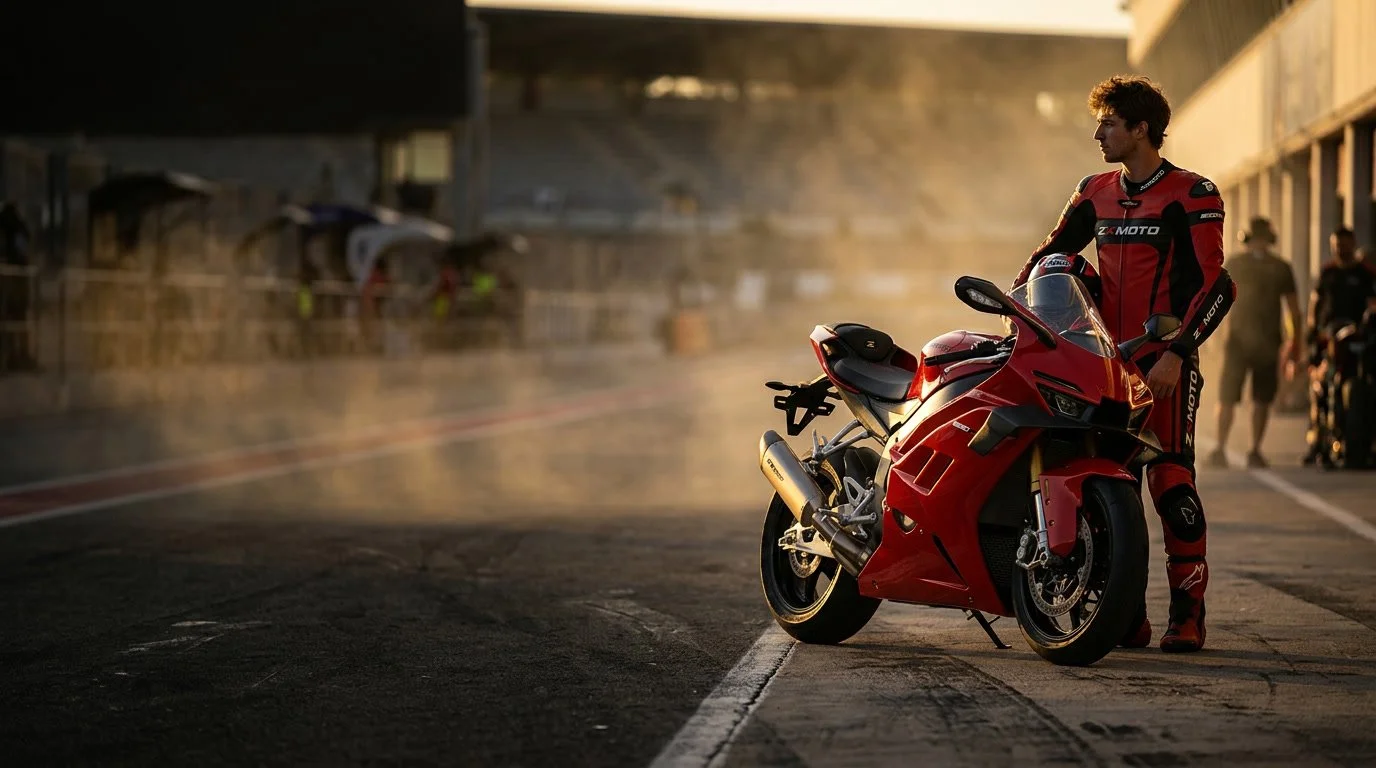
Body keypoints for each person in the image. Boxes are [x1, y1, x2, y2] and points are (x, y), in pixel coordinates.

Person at [1012, 75, 1236, 653]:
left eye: (1108, 123)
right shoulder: (1093, 190)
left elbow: (1218, 286)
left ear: (1141, 129)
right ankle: (1124, 616)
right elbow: (1045, 259)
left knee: (1170, 482)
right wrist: (1021, 315)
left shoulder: (1194, 192)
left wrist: (1177, 354)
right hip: (1099, 367)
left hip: (1163, 365)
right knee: (1109, 485)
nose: (1098, 133)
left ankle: (1188, 616)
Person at [1206, 217, 1301, 469]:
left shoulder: (1238, 263)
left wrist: (1211, 337)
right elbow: (1293, 311)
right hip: (1258, 341)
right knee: (1256, 398)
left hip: (1246, 341)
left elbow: (1216, 305)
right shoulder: (1278, 266)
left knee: (1235, 398)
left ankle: (1223, 449)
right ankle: (1251, 451)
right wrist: (1295, 343)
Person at [1301, 227, 1376, 466]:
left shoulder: (1366, 273)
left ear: (1352, 244)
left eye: (1344, 244)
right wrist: (1312, 332)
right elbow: (1315, 304)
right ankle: (1317, 441)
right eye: (1337, 245)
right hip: (1329, 339)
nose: (1341, 249)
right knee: (1319, 387)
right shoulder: (1328, 273)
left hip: (1359, 338)